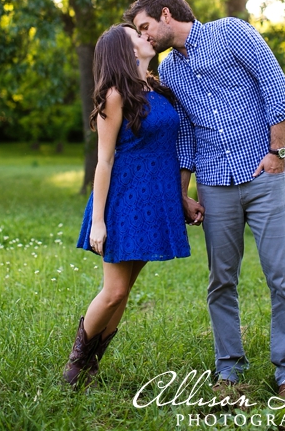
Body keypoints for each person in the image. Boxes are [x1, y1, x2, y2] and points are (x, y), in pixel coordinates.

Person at [125, 0, 285, 398]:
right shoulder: (170, 72)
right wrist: (184, 193)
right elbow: (185, 134)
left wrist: (277, 152)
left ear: (165, 14)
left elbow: (275, 87)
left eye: (145, 27)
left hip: (263, 174)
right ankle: (230, 370)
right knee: (221, 280)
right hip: (215, 184)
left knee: (282, 278)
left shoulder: (232, 32)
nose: (145, 37)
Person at [63, 24, 191, 387]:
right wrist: (98, 222)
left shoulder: (157, 87)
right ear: (126, 49)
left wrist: (181, 196)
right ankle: (75, 364)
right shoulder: (114, 95)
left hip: (154, 203)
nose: (145, 37)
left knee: (126, 290)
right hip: (123, 200)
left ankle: (92, 365)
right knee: (114, 290)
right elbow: (104, 161)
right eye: (137, 34)